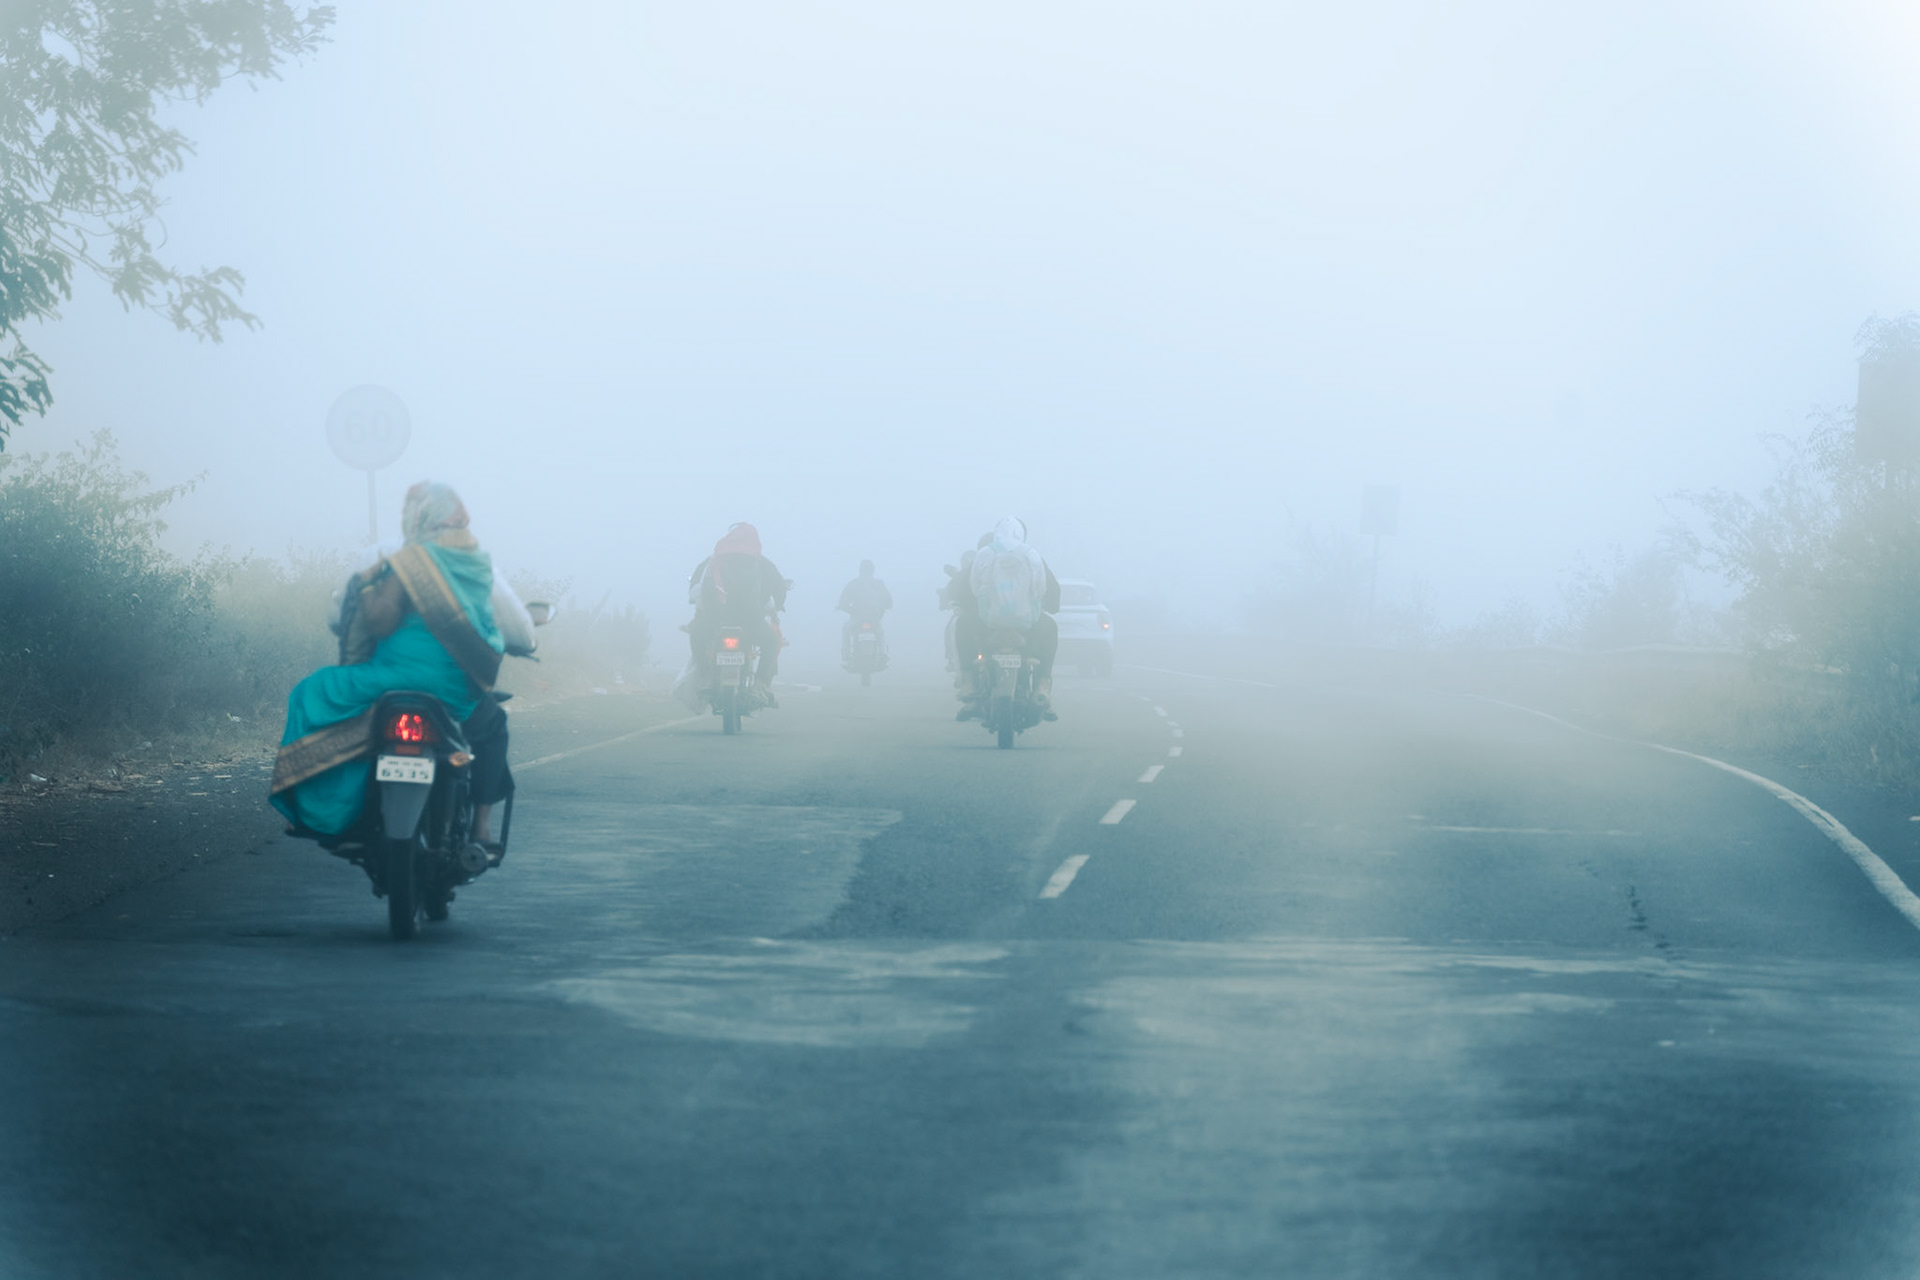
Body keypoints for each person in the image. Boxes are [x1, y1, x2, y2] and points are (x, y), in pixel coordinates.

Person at [270, 482, 505, 836]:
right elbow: (491, 624)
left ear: (419, 519)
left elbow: (381, 622)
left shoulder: (410, 563)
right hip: (453, 691)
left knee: (309, 692)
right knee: (493, 724)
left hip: (391, 681)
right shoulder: (477, 566)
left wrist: (366, 586)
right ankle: (483, 826)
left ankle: (310, 812)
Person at [965, 516, 1061, 717]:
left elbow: (974, 587)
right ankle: (1042, 685)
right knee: (1050, 628)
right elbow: (1042, 589)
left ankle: (969, 682)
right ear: (1022, 536)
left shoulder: (985, 553)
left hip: (988, 623)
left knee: (962, 625)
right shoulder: (1032, 555)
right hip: (1026, 624)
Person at [686, 522, 788, 707]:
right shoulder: (762, 563)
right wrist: (779, 606)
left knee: (697, 633)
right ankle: (760, 685)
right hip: (749, 619)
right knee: (771, 641)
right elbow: (779, 587)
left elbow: (694, 586)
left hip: (714, 619)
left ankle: (705, 677)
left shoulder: (712, 561)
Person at [837, 560, 893, 663]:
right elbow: (888, 602)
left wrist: (851, 611)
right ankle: (883, 653)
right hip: (874, 618)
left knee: (845, 630)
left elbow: (843, 603)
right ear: (872, 570)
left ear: (860, 570)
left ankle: (847, 654)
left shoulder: (853, 583)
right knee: (880, 633)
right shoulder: (879, 583)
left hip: (857, 619)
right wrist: (881, 611)